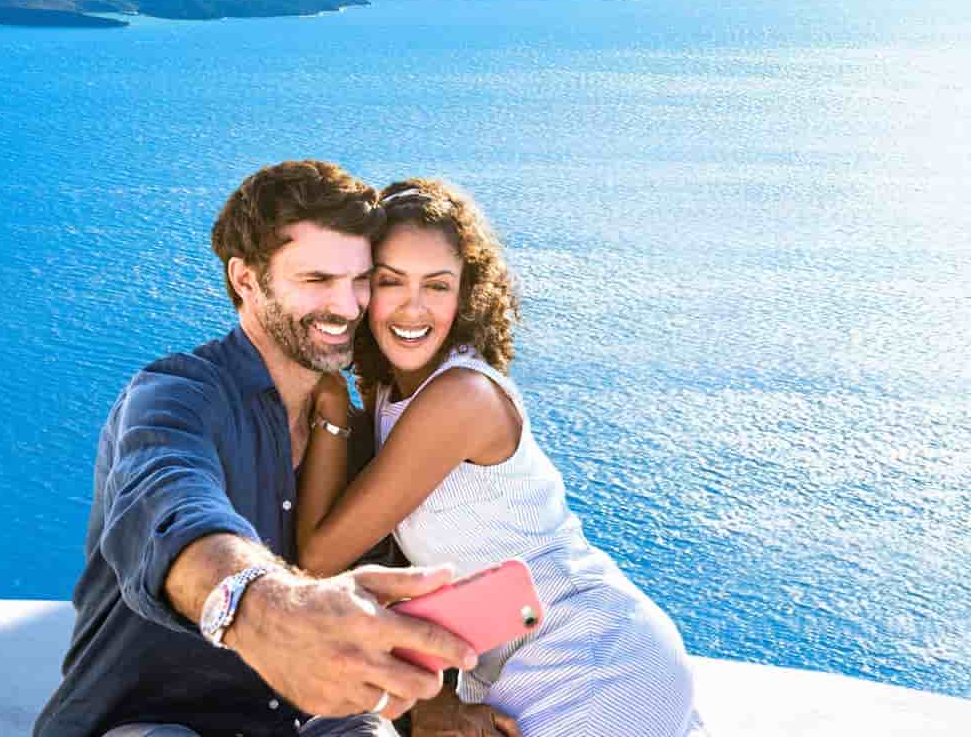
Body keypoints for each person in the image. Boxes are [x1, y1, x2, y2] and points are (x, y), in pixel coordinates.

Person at [35, 161, 512, 737]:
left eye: (360, 280)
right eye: (316, 281)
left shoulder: (361, 441)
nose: (347, 306)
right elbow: (170, 506)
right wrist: (260, 605)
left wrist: (433, 703)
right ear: (246, 279)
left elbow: (398, 598)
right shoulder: (175, 397)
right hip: (146, 724)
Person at [294, 179, 709, 737]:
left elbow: (319, 558)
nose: (414, 307)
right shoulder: (395, 395)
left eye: (437, 286)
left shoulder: (458, 398)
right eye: (391, 281)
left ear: (466, 294)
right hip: (526, 658)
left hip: (592, 654)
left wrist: (329, 408)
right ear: (365, 289)